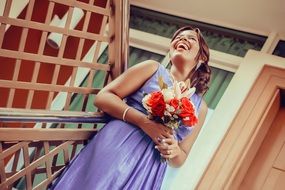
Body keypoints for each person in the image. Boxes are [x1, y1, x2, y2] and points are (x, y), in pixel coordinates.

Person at [50, 26, 211, 190]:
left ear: (202, 57)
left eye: (190, 38)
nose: (182, 39)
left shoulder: (201, 107)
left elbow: (181, 157)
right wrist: (143, 122)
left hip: (149, 166)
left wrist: (173, 150)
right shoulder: (152, 69)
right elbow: (103, 97)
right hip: (118, 145)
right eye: (178, 37)